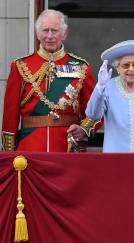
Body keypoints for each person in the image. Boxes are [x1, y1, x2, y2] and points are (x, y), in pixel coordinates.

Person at [1, 9, 98, 152]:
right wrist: (8, 154)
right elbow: (10, 115)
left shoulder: (81, 67)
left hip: (67, 147)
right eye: (45, 30)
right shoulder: (20, 66)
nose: (50, 36)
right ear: (38, 34)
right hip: (30, 147)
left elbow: (94, 110)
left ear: (65, 34)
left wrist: (83, 129)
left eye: (55, 31)